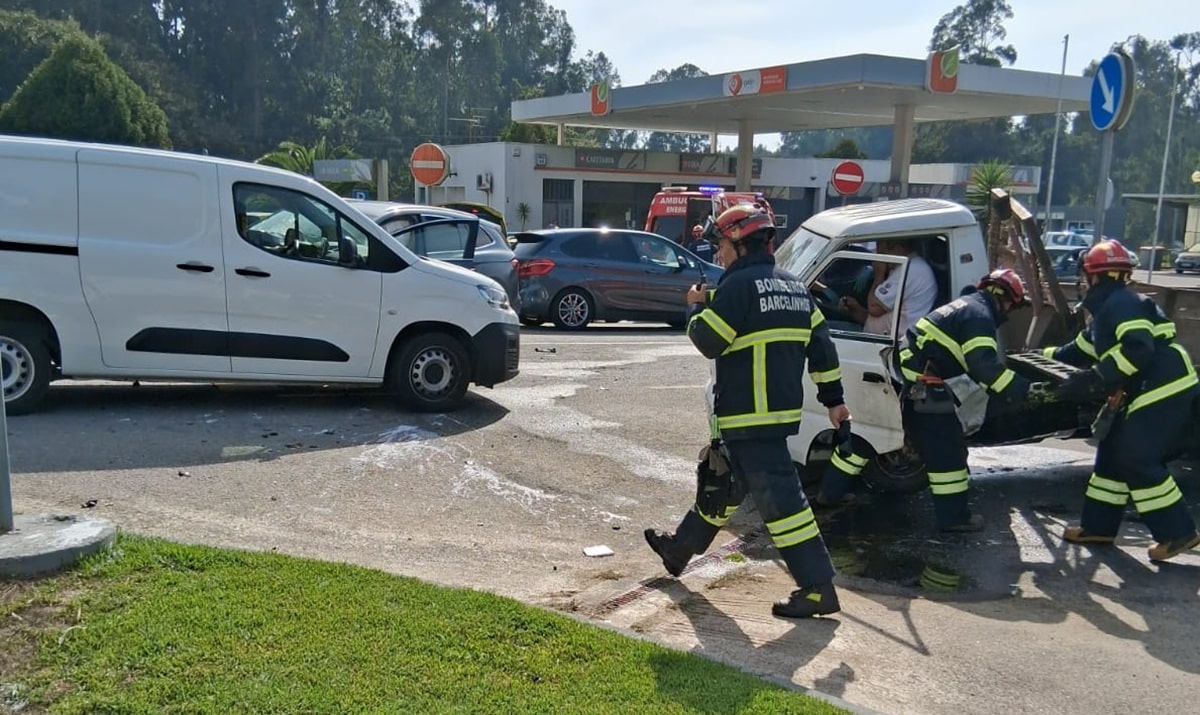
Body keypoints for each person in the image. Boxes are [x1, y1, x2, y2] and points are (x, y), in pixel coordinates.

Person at [643, 204, 851, 619]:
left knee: (785, 506)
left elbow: (708, 339)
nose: (718, 253)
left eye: (720, 244)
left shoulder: (737, 287)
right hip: (774, 415)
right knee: (723, 486)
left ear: (739, 243)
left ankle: (818, 588)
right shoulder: (795, 288)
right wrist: (834, 401)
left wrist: (694, 308)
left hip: (749, 418)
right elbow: (823, 350)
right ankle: (679, 549)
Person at [1048, 240, 1200, 561]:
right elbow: (1077, 350)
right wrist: (1036, 357)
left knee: (1136, 456)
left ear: (1092, 275)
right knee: (1112, 451)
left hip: (1163, 384)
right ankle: (1098, 526)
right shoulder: (1110, 308)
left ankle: (1178, 532)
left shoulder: (1122, 304)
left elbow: (1138, 348)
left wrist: (1096, 378)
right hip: (1146, 385)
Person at [895, 268, 1033, 532]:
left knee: (946, 446)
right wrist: (1020, 389)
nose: (1009, 313)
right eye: (1012, 307)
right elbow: (983, 366)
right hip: (925, 386)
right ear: (1003, 298)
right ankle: (954, 518)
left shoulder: (968, 306)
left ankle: (953, 515)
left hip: (918, 380)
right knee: (948, 452)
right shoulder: (979, 317)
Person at [839, 239, 938, 335]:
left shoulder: (911, 270)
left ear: (898, 249)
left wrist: (878, 275)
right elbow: (885, 317)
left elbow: (874, 308)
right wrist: (857, 310)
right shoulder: (902, 267)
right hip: (875, 335)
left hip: (892, 341)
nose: (879, 260)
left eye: (882, 254)